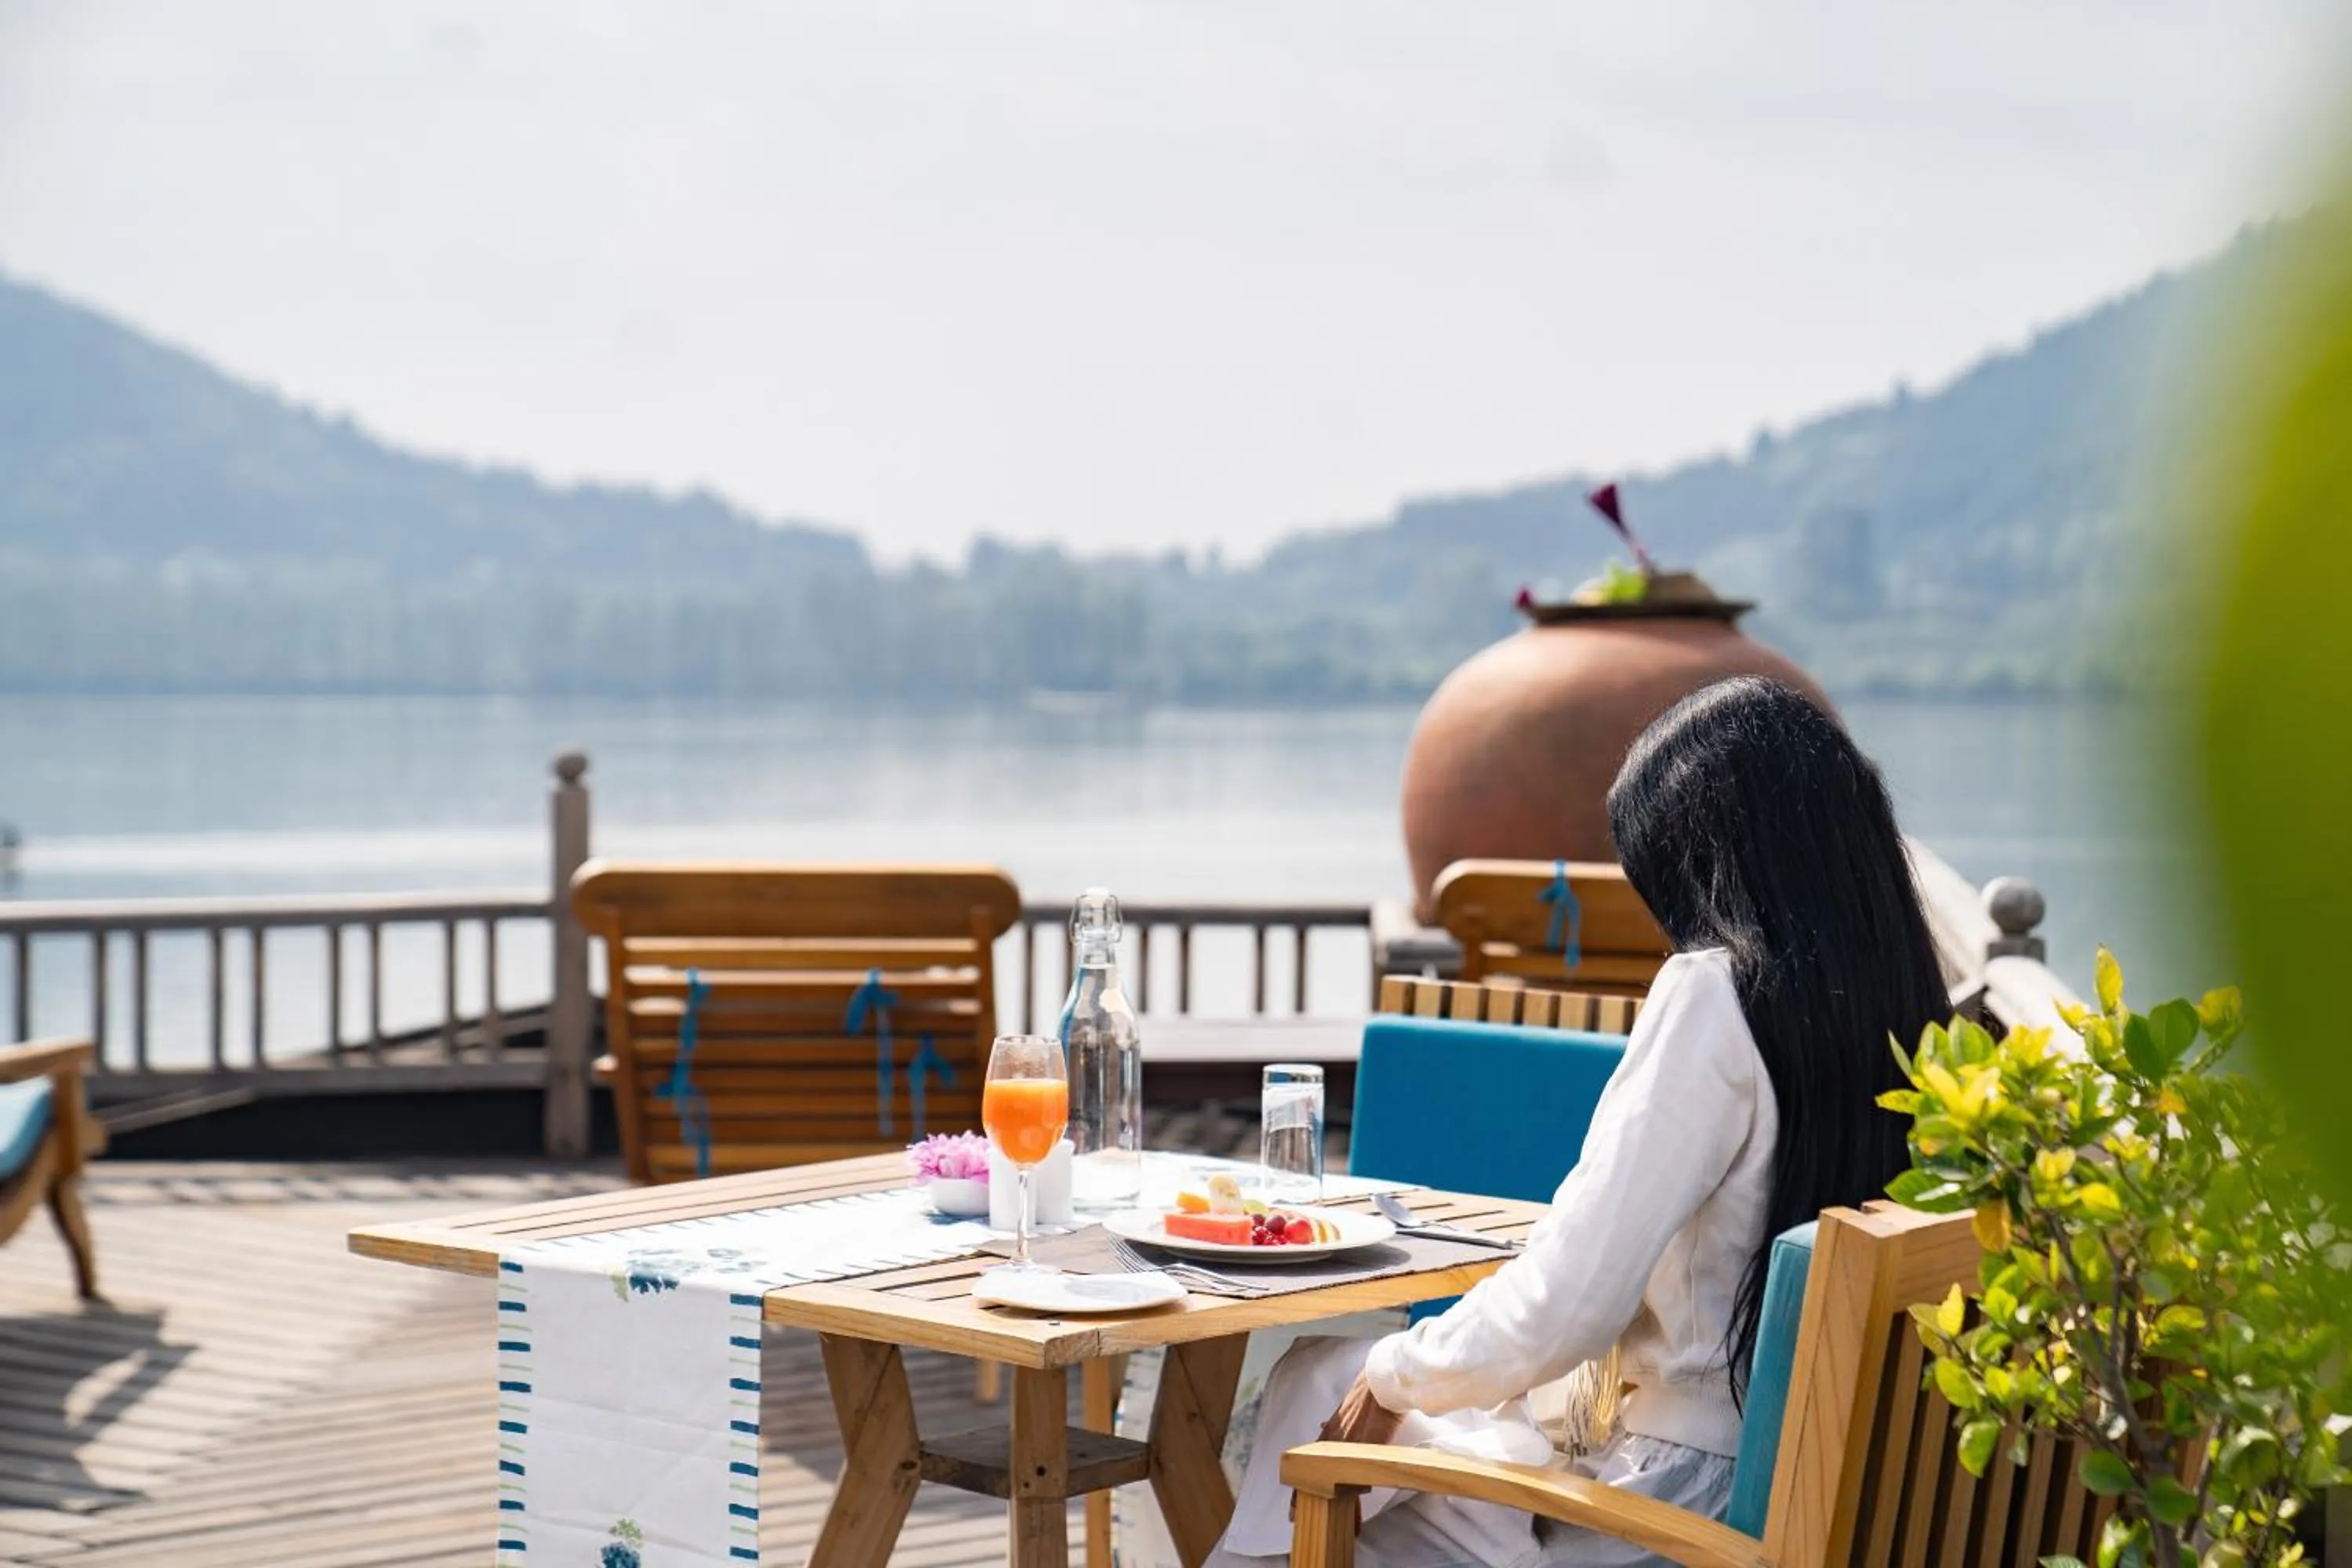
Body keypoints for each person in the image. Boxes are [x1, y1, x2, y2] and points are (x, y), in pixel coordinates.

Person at [1206, 677, 1954, 1567]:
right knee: (1333, 1381)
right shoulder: (1915, 1008)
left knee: (1326, 1401)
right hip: (1797, 1487)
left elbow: (1566, 1305)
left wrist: (1395, 1369)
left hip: (1662, 1516)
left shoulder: (1717, 998)